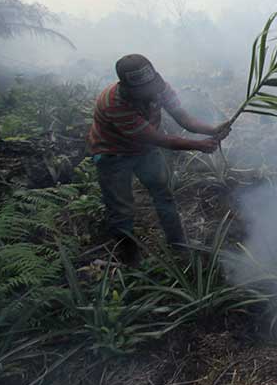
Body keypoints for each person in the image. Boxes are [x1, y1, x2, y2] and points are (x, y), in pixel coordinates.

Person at [87, 54, 231, 263]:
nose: (151, 94)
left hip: (145, 149)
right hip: (113, 154)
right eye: (143, 91)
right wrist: (198, 145)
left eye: (152, 87)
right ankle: (130, 260)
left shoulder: (161, 88)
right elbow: (159, 139)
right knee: (121, 208)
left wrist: (211, 130)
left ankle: (178, 244)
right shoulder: (113, 104)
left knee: (163, 194)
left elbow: (182, 117)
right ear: (126, 88)